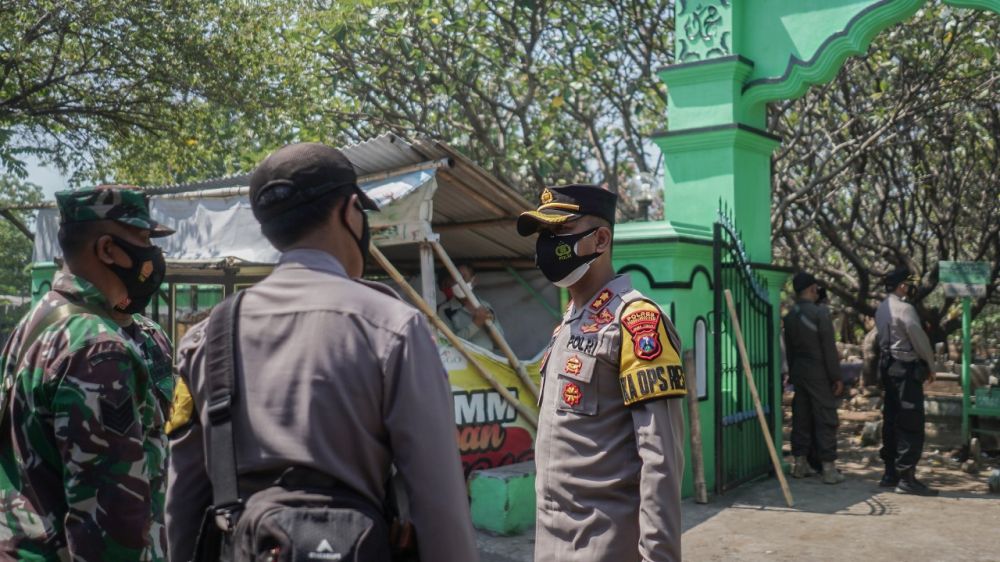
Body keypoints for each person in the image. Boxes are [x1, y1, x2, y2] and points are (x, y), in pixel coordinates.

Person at [164, 143, 478, 561]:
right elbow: (439, 502)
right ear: (350, 211)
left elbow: (182, 501)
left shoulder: (207, 338)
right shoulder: (393, 326)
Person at [0, 186, 175, 560]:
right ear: (107, 249)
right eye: (143, 238)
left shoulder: (36, 324)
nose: (154, 253)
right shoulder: (98, 347)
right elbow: (111, 516)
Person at [517, 184, 686, 561]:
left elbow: (661, 462)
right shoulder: (568, 324)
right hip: (552, 546)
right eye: (544, 235)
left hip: (604, 548)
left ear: (601, 239)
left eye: (559, 232)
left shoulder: (637, 321)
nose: (547, 245)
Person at [875, 266, 938, 496]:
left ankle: (889, 473)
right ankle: (907, 477)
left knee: (891, 419)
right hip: (905, 370)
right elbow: (918, 339)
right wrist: (930, 365)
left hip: (887, 369)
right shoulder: (906, 309)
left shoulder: (881, 309)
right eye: (908, 284)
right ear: (902, 285)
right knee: (910, 421)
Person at [783, 272, 845, 484]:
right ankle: (828, 468)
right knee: (826, 417)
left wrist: (792, 373)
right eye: (816, 288)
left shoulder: (790, 315)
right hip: (818, 372)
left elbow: (789, 350)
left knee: (801, 417)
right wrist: (836, 377)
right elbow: (828, 347)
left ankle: (800, 464)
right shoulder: (820, 313)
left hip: (799, 372)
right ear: (811, 289)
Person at [437, 263, 502, 352]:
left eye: (463, 278)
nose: (459, 283)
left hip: (487, 361)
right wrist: (475, 324)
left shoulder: (485, 306)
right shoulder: (445, 310)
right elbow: (447, 344)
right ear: (449, 282)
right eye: (454, 279)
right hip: (463, 362)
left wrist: (490, 327)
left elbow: (500, 344)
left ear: (474, 281)